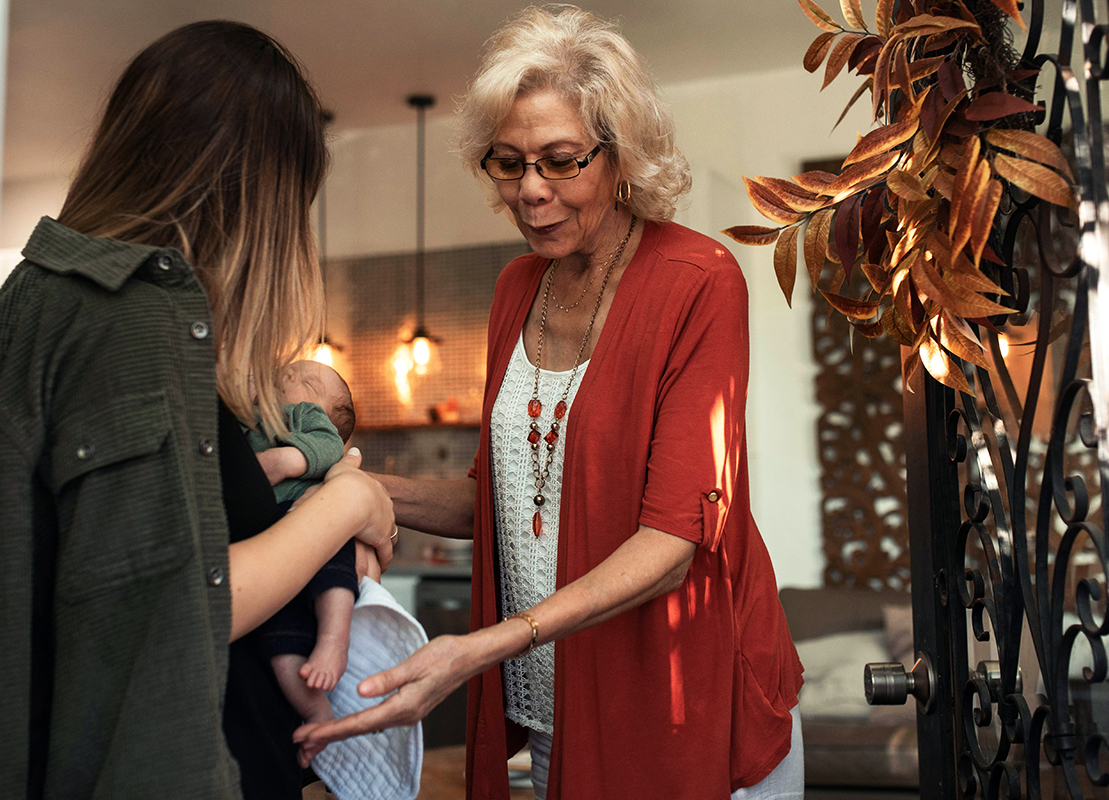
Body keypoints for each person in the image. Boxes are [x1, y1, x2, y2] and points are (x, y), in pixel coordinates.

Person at [295, 6, 805, 799]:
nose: (531, 191)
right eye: (509, 163)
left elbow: (672, 543)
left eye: (561, 162)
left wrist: (485, 646)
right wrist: (356, 494)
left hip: (677, 695)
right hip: (548, 698)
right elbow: (500, 500)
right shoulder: (515, 290)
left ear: (620, 154)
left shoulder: (697, 280)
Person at [0, 21, 396, 799]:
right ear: (255, 195)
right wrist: (350, 500)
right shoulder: (132, 316)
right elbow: (181, 607)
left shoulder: (37, 300)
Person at [245, 359, 360, 725]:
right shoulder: (251, 417)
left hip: (309, 519)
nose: (289, 376)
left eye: (307, 382)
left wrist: (287, 460)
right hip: (267, 535)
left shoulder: (303, 416)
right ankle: (316, 715)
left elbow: (330, 449)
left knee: (335, 572)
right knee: (279, 639)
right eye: (287, 373)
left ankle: (334, 639)